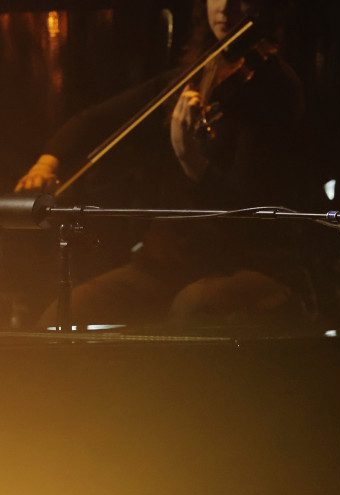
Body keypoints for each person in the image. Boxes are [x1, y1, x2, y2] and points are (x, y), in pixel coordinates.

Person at [15, 0, 313, 328]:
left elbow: (247, 213)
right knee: (62, 315)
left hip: (242, 263)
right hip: (165, 267)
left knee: (190, 309)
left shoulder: (275, 87)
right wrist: (46, 164)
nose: (225, 7)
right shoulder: (193, 75)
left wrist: (189, 155)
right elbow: (94, 120)